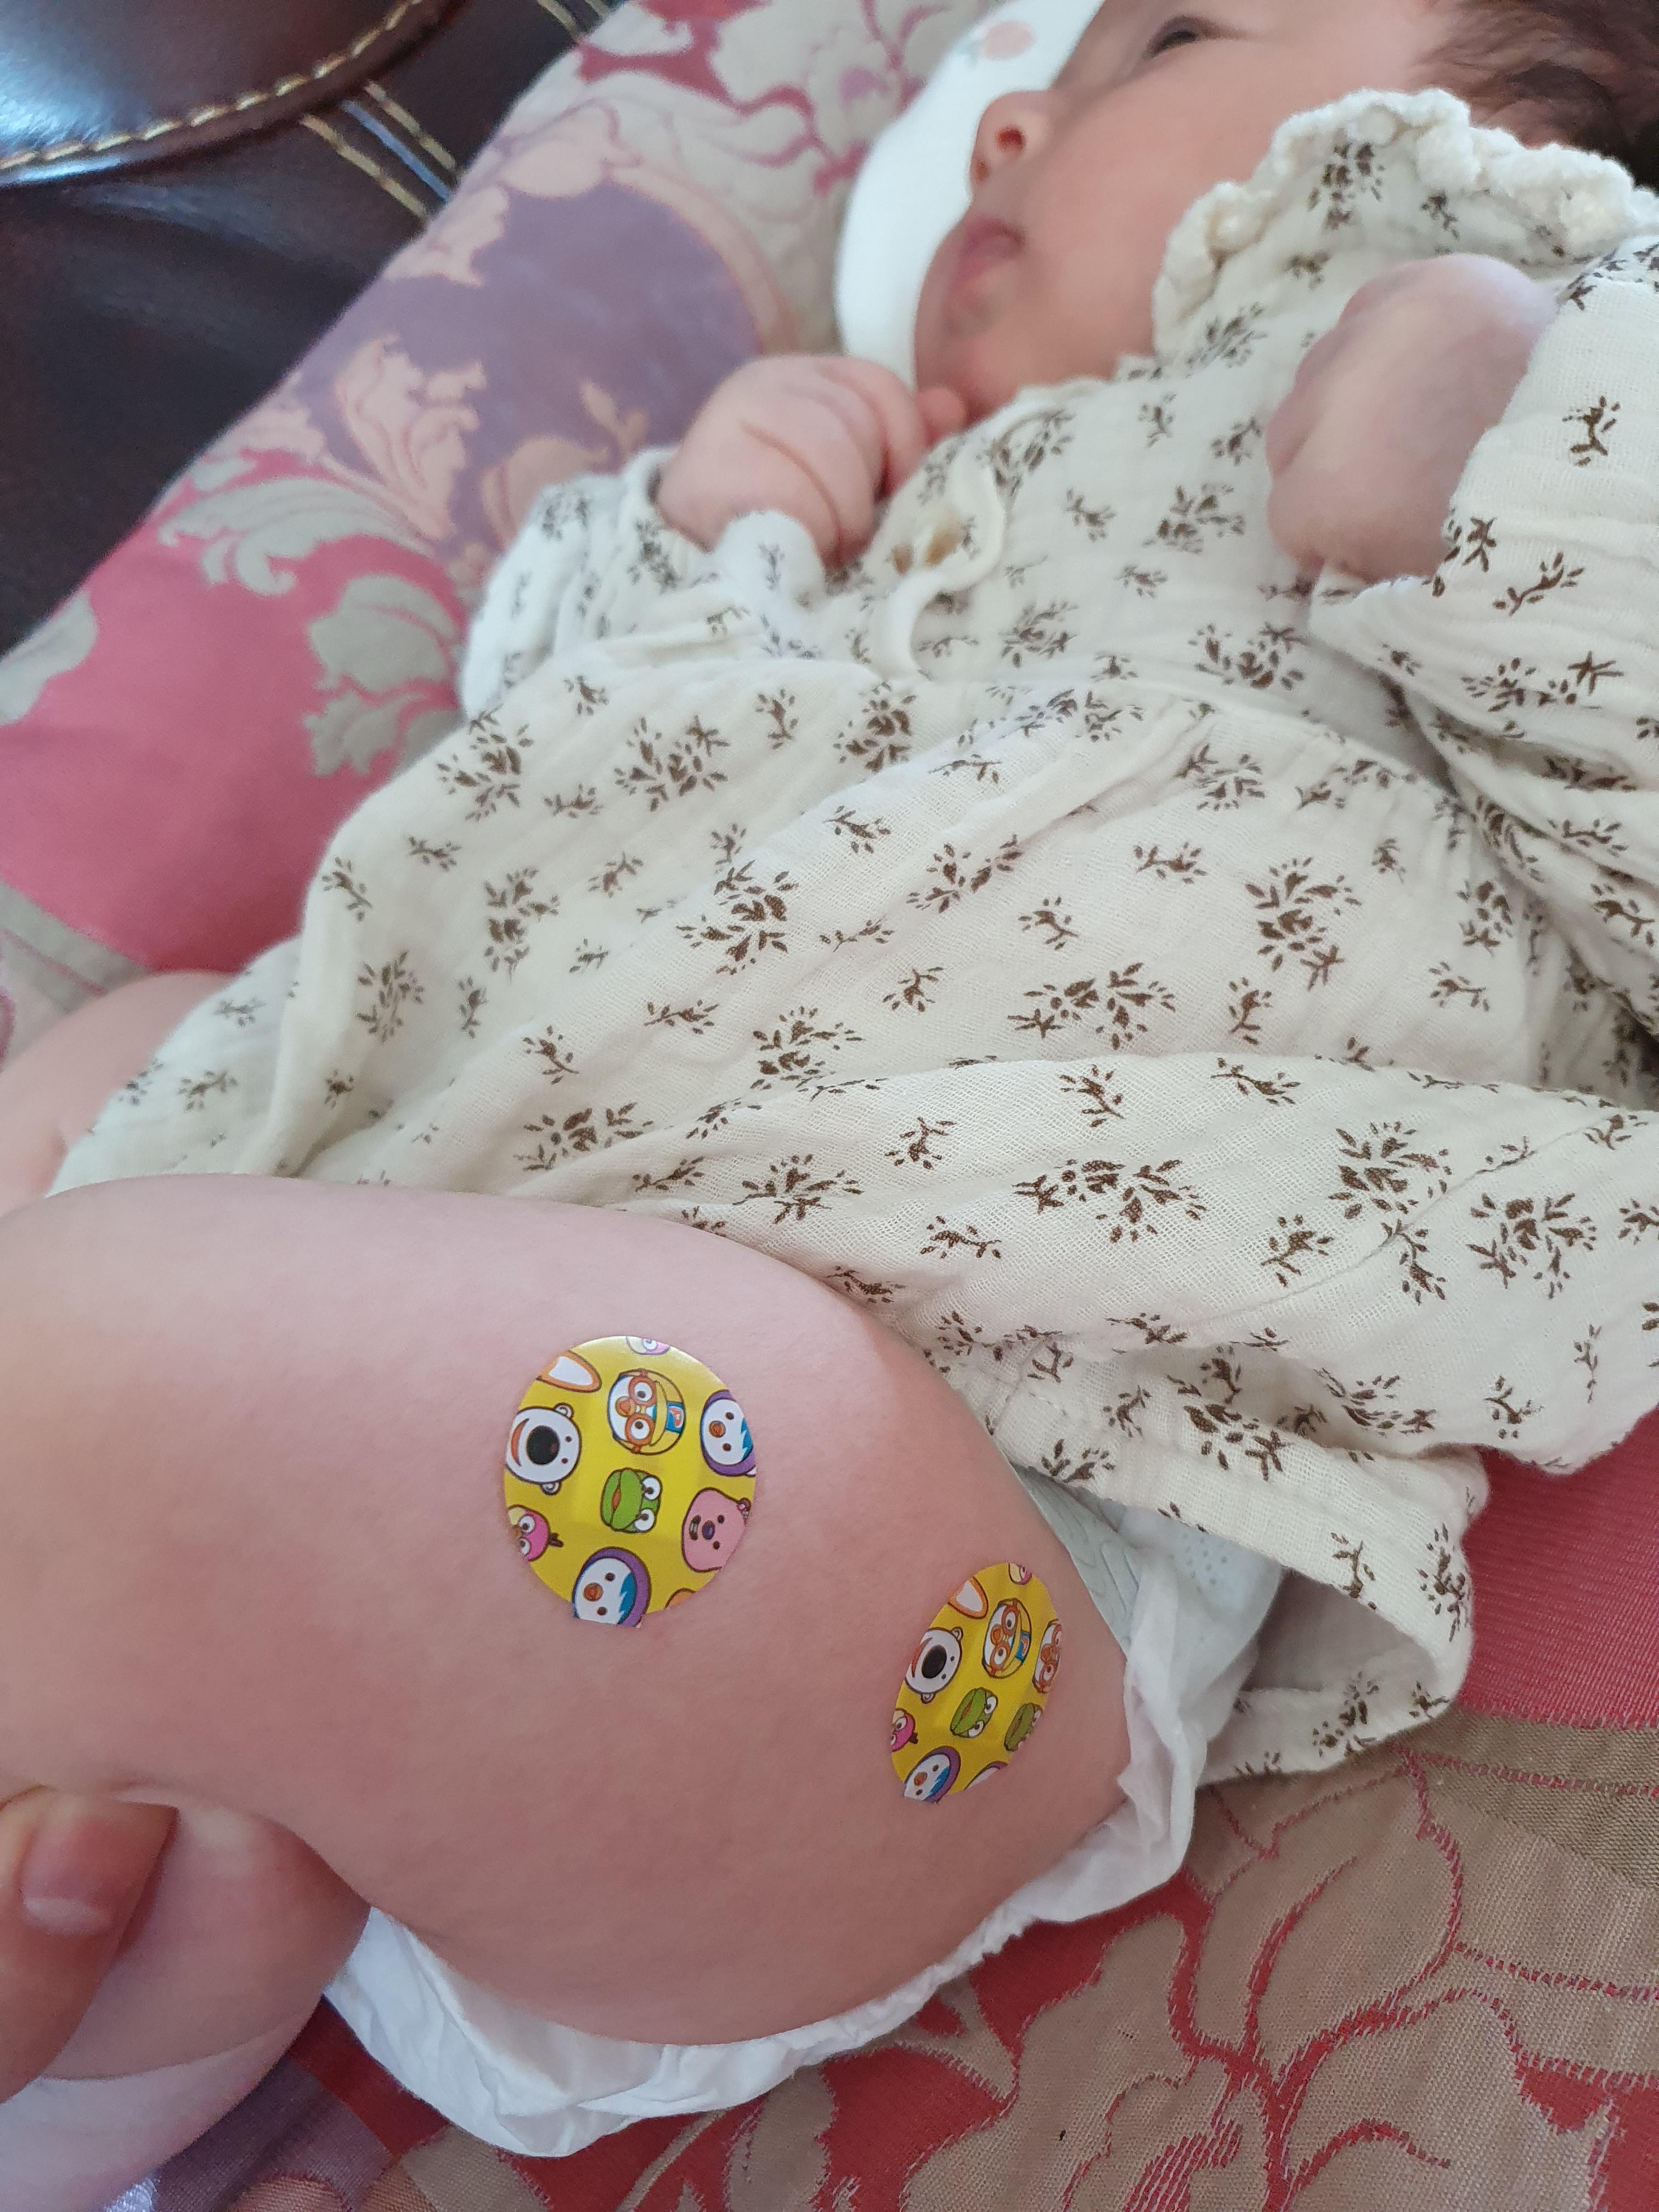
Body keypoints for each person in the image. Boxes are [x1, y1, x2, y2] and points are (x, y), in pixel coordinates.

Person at [5, 0, 1659, 2197]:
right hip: (419, 1395)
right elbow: (524, 800)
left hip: (919, 1498)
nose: (1010, 115)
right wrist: (709, 535)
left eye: (1168, 35)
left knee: (89, 1362)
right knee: (127, 1067)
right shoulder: (915, 517)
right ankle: (111, 2040)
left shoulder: (1561, 327)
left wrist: (1504, 422)